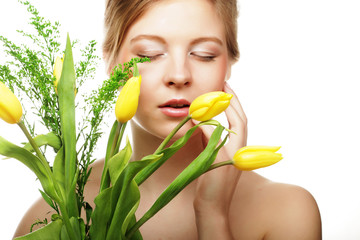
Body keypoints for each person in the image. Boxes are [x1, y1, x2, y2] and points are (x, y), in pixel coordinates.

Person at [14, 0, 322, 239]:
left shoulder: (287, 213)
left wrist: (212, 213)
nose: (179, 75)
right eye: (149, 54)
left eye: (203, 54)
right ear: (110, 62)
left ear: (229, 64)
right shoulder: (59, 212)